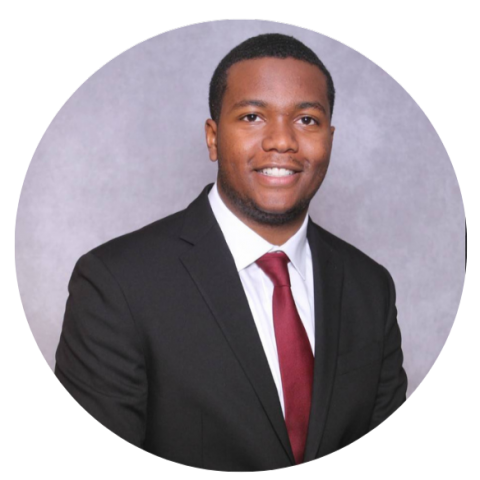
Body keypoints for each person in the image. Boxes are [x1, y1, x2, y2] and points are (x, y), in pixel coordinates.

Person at [55, 33, 407, 471]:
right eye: (253, 116)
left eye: (307, 120)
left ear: (329, 139)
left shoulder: (370, 288)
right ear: (213, 137)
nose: (282, 141)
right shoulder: (116, 284)